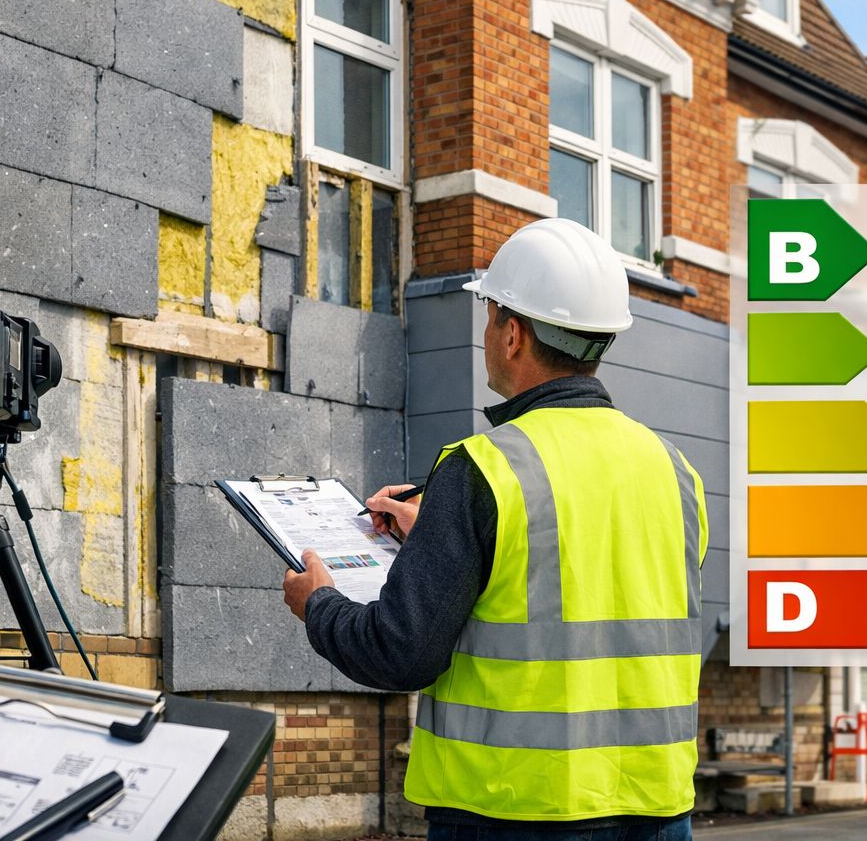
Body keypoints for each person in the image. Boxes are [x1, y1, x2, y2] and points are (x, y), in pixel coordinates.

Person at [281, 218, 706, 841]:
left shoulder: (483, 468)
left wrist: (319, 603)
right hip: (658, 810)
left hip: (515, 812)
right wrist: (444, 541)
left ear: (512, 334)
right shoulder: (675, 470)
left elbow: (400, 652)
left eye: (488, 316)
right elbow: (584, 578)